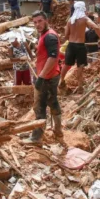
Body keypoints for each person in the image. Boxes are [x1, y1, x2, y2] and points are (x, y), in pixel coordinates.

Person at [24, 11, 62, 145]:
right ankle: (58, 130)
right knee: (53, 102)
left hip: (47, 77)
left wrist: (41, 77)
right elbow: (51, 55)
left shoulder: (49, 36)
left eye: (40, 21)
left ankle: (37, 137)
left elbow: (52, 57)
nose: (37, 24)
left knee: (39, 106)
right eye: (35, 22)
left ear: (46, 20)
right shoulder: (44, 34)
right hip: (50, 75)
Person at [59, 2, 100, 92]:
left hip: (71, 45)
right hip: (80, 45)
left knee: (66, 64)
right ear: (83, 8)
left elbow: (66, 36)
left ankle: (61, 81)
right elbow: (96, 27)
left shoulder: (70, 20)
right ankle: (80, 86)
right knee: (80, 66)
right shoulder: (85, 19)